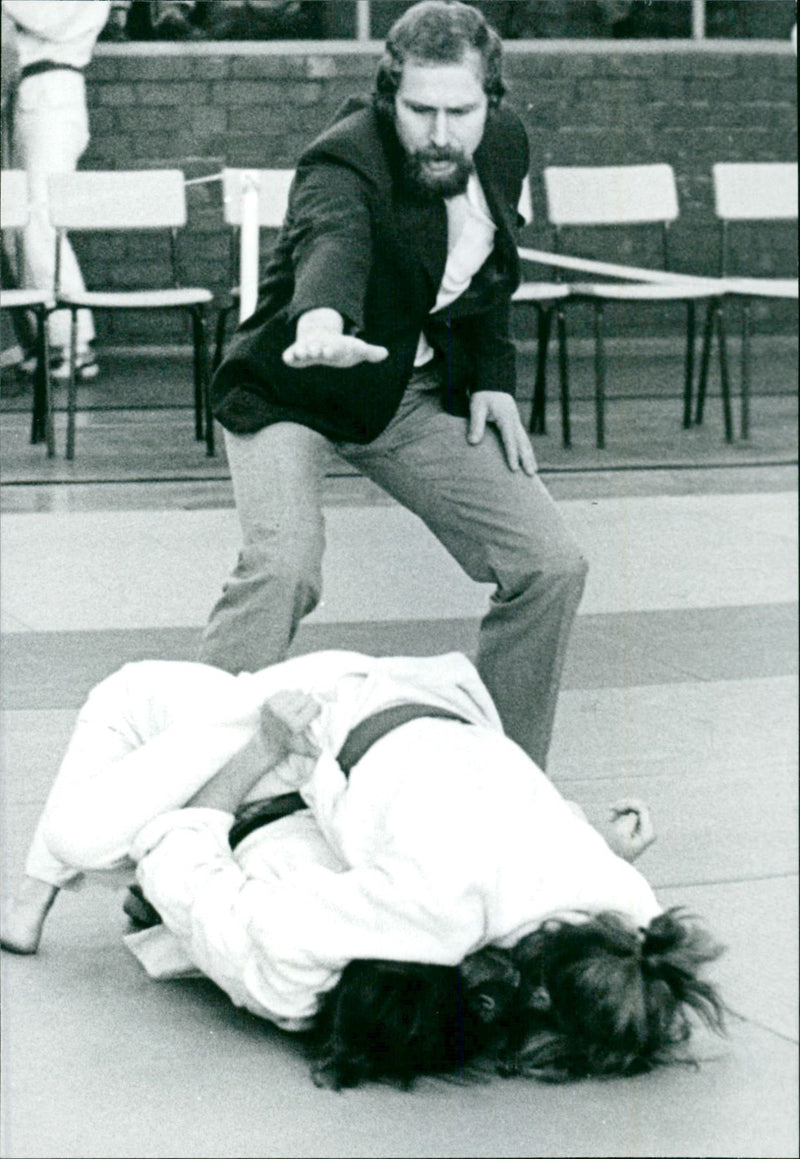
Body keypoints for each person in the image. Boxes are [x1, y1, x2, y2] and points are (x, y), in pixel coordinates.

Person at [1, 650, 725, 1088]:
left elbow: (246, 926)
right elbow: (239, 912)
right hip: (325, 710)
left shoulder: (624, 901)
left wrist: (601, 841)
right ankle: (38, 896)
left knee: (134, 700)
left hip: (418, 720)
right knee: (82, 831)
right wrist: (258, 751)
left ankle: (38, 900)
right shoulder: (439, 905)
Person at [201, 0, 588, 771]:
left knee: (550, 564)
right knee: (283, 568)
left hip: (402, 397)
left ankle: (504, 781)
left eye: (461, 110)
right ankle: (186, 782)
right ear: (388, 95)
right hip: (292, 391)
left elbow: (488, 261)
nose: (442, 133)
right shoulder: (342, 159)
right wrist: (319, 320)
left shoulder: (503, 142)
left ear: (492, 101)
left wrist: (491, 377)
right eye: (420, 110)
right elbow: (332, 237)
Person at [2, 0, 110, 382]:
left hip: (54, 94)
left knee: (42, 221)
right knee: (24, 223)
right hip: (35, 92)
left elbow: (46, 19)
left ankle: (75, 341)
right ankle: (47, 340)